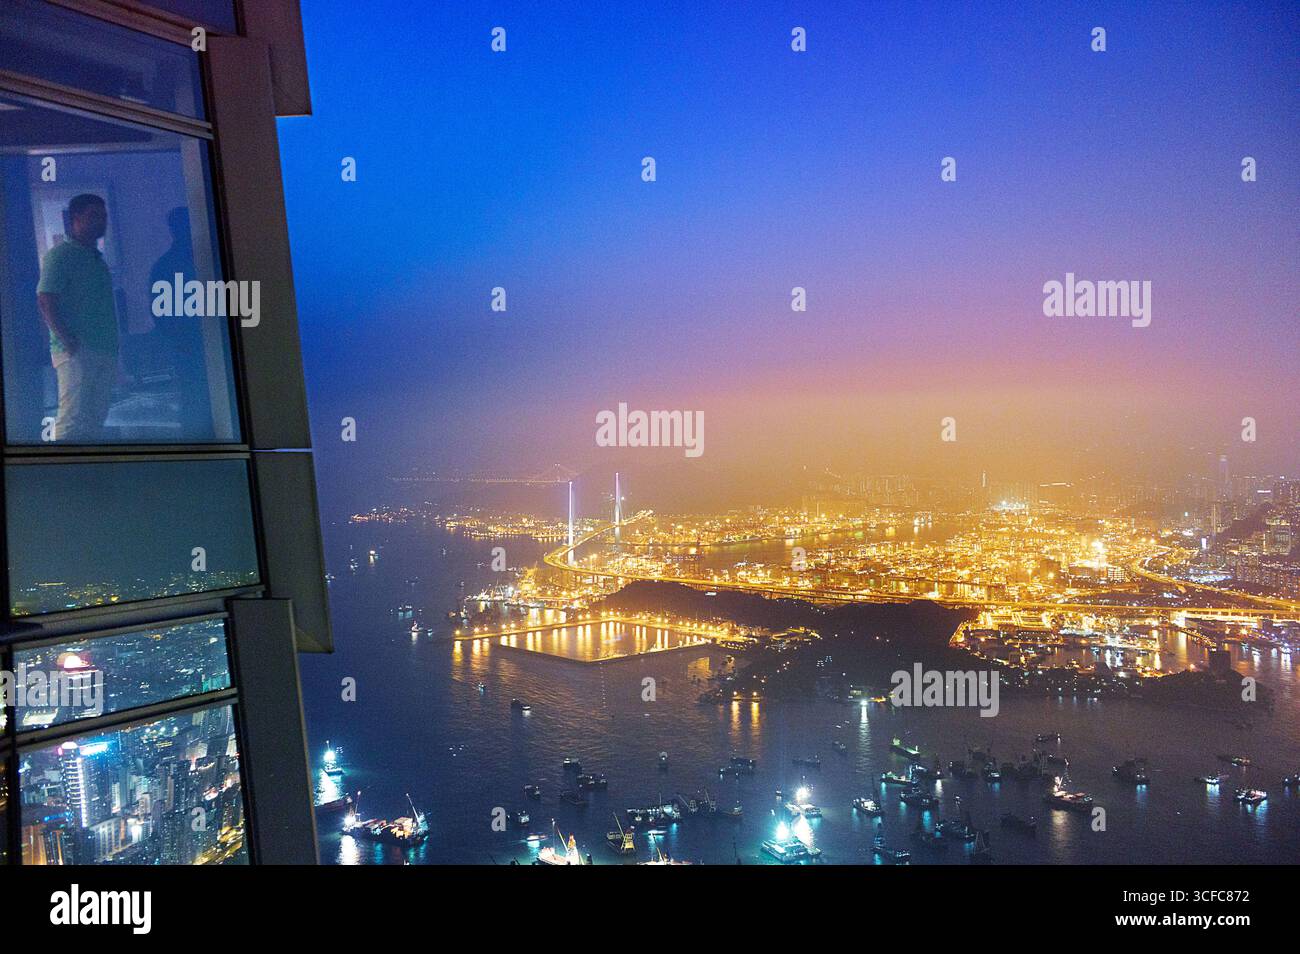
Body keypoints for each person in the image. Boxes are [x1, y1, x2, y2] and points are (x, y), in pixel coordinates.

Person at [35, 193, 118, 442]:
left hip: (104, 348)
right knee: (71, 418)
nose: (100, 221)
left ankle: (89, 474)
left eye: (103, 216)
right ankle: (64, 476)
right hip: (77, 350)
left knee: (96, 416)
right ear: (76, 219)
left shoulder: (96, 258)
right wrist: (68, 341)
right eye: (93, 215)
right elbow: (45, 299)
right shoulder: (60, 256)